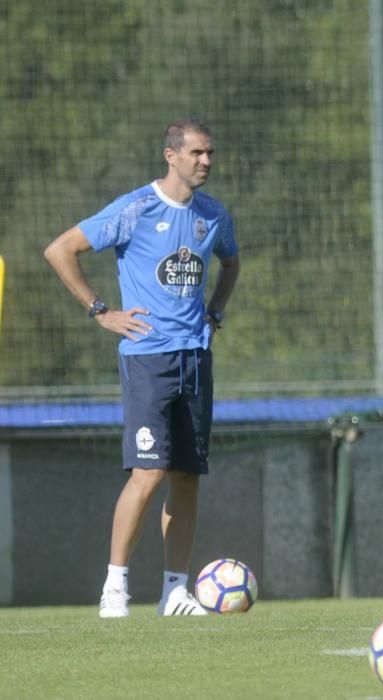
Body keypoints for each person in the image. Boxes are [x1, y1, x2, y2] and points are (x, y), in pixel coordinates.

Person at [44, 118, 240, 618]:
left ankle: (175, 591)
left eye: (210, 153)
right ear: (170, 156)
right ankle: (115, 587)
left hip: (196, 357)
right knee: (148, 473)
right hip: (148, 357)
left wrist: (215, 312)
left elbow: (231, 262)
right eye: (197, 152)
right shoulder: (135, 209)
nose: (206, 161)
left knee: (187, 477)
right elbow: (60, 250)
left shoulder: (213, 214)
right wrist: (101, 312)